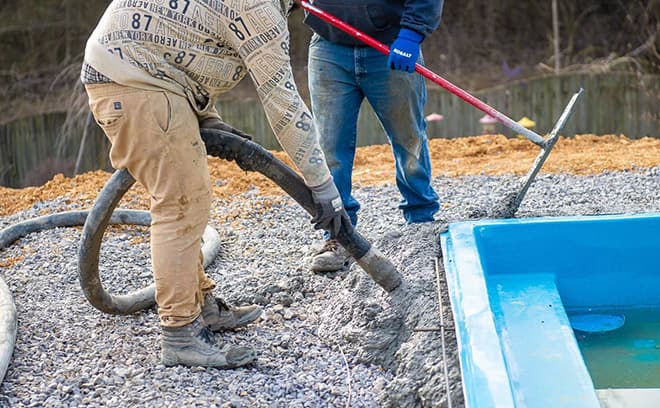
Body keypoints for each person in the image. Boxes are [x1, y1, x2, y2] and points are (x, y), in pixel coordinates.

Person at [81, 0, 346, 369]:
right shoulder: (260, 9)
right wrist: (324, 189)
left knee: (193, 198)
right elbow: (283, 105)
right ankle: (180, 333)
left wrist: (206, 116)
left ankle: (198, 305)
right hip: (135, 81)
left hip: (146, 73)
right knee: (179, 204)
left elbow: (188, 37)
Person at [304, 0, 443, 273]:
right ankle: (338, 235)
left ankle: (422, 222)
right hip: (329, 47)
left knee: (408, 139)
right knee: (331, 150)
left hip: (391, 45)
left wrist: (412, 34)